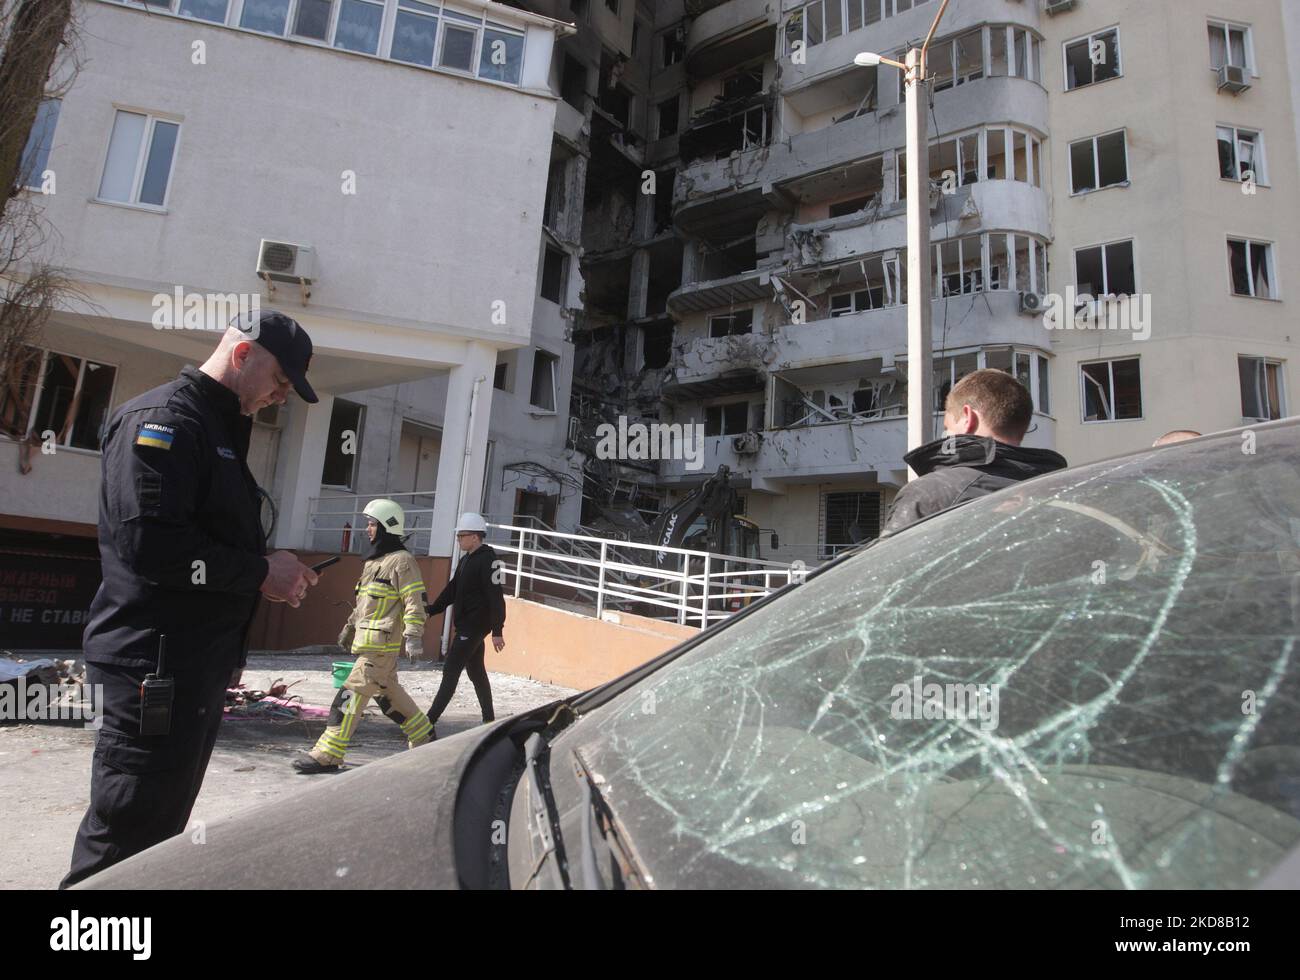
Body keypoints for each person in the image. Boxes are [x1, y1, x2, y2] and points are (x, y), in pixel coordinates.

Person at [61, 310, 320, 887]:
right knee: (125, 841)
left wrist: (248, 607)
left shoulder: (217, 427)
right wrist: (260, 572)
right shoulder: (166, 422)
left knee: (157, 839)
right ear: (243, 354)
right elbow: (152, 548)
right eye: (281, 380)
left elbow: (204, 544)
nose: (282, 396)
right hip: (151, 671)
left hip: (188, 671)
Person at [293, 499, 434, 774]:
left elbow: (414, 601)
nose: (367, 529)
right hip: (369, 646)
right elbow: (363, 606)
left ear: (387, 527)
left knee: (348, 696)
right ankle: (425, 738)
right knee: (389, 698)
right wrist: (349, 628)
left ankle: (328, 753)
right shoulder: (374, 563)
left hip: (380, 649)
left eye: (372, 524)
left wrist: (414, 636)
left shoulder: (403, 561)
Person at [880, 369, 1068, 537]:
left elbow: (888, 563)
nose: (945, 436)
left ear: (968, 418)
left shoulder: (931, 493)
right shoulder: (1064, 494)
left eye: (947, 427)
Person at [422, 512, 505, 734]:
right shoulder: (465, 559)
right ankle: (489, 720)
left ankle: (428, 723)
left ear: (475, 537)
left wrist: (497, 630)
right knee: (476, 672)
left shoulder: (490, 561)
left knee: (450, 670)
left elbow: (496, 597)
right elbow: (452, 589)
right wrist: (432, 610)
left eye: (462, 535)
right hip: (466, 625)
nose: (458, 539)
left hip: (474, 626)